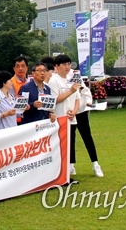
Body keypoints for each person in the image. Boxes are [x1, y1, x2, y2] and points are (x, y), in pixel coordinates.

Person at [48, 54, 82, 183]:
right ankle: (60, 175)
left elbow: (77, 99)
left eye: (69, 64)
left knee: (70, 146)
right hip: (60, 119)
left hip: (71, 119)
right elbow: (55, 100)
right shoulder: (54, 80)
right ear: (57, 67)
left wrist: (74, 111)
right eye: (64, 65)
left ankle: (67, 173)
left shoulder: (71, 79)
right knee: (61, 147)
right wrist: (71, 91)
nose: (67, 67)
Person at [72, 74, 105, 177]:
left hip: (81, 111)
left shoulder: (74, 76)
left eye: (68, 64)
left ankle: (95, 164)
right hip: (68, 112)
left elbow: (85, 90)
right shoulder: (56, 78)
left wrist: (89, 102)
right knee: (70, 139)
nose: (66, 67)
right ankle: (71, 165)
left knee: (87, 137)